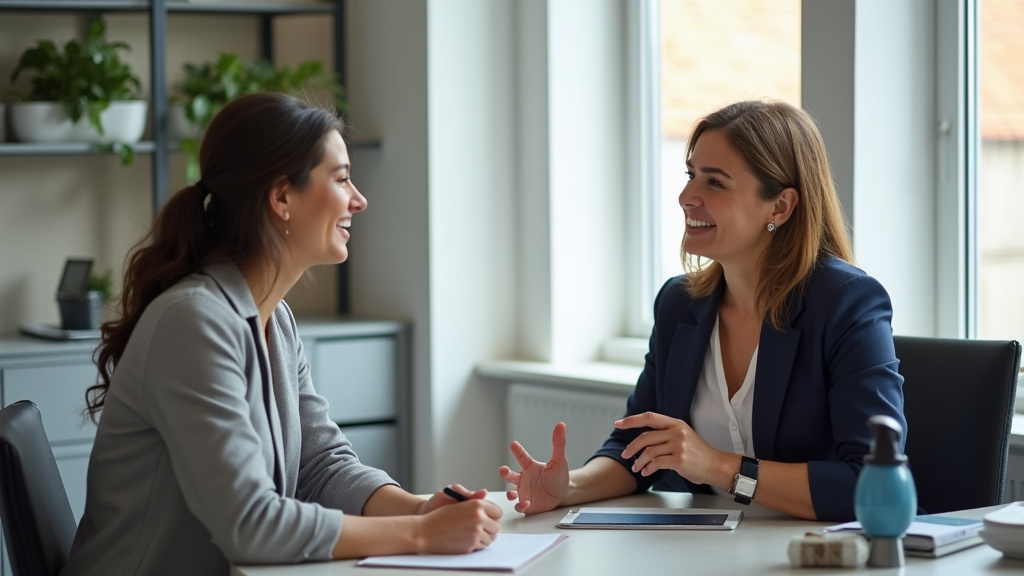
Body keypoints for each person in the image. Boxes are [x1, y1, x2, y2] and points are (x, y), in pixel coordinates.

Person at [62, 92, 502, 576]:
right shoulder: (193, 323)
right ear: (281, 197)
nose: (359, 198)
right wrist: (419, 536)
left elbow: (322, 466)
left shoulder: (276, 320)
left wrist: (418, 509)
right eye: (341, 178)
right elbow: (250, 525)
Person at [498, 100, 905, 523]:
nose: (686, 197)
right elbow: (636, 447)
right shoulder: (679, 303)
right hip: (701, 551)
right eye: (692, 175)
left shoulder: (846, 302)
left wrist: (717, 466)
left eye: (715, 183)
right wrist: (568, 488)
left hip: (812, 557)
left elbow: (871, 483)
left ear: (780, 207)